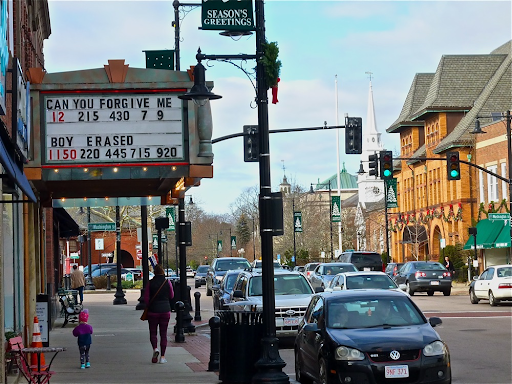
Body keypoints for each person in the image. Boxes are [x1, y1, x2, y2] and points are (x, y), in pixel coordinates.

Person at [143, 264, 174, 364]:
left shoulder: (150, 283)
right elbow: (172, 295)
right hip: (165, 310)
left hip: (153, 311)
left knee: (153, 333)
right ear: (163, 272)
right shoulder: (167, 282)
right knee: (163, 334)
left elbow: (146, 298)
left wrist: (151, 305)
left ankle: (155, 349)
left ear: (155, 272)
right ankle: (163, 357)